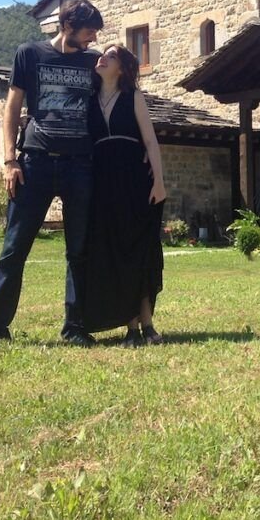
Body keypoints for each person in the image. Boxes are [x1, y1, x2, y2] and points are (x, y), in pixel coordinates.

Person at [0, 0, 104, 351]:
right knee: (14, 248)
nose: (94, 37)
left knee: (79, 250)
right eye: (89, 30)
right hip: (35, 162)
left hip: (81, 164)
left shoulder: (94, 62)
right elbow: (13, 106)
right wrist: (9, 160)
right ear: (68, 25)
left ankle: (75, 326)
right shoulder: (29, 54)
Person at [81, 43, 167, 347]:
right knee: (114, 252)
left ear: (123, 67)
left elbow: (150, 141)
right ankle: (130, 325)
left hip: (134, 180)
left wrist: (159, 181)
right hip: (103, 184)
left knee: (139, 250)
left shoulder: (133, 96)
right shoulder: (89, 101)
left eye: (111, 55)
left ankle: (146, 323)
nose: (102, 58)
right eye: (103, 54)